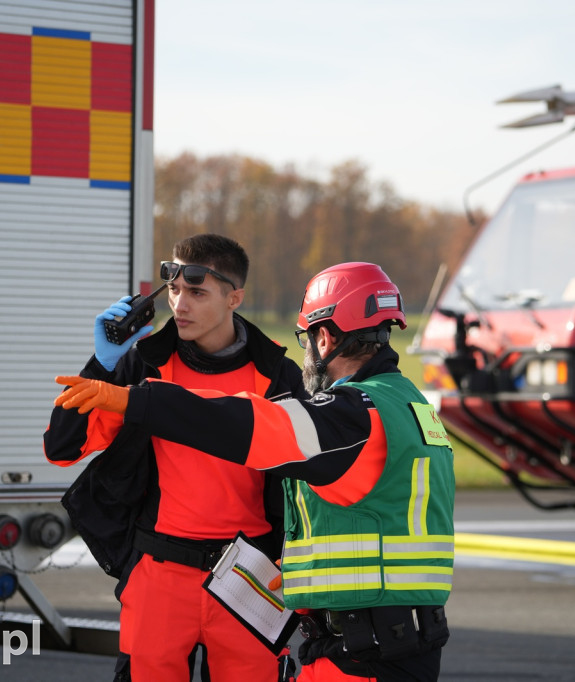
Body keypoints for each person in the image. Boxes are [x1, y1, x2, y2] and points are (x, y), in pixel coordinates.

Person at [54, 262, 456, 682]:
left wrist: (139, 402)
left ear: (325, 337)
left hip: (364, 655)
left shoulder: (350, 417)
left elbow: (248, 425)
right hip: (392, 643)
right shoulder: (411, 407)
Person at [44, 234, 306, 682]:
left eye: (197, 292)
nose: (179, 304)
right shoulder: (142, 364)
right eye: (174, 290)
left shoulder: (277, 375)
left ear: (234, 298)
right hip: (158, 572)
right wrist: (103, 365)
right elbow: (63, 447)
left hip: (251, 575)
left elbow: (306, 480)